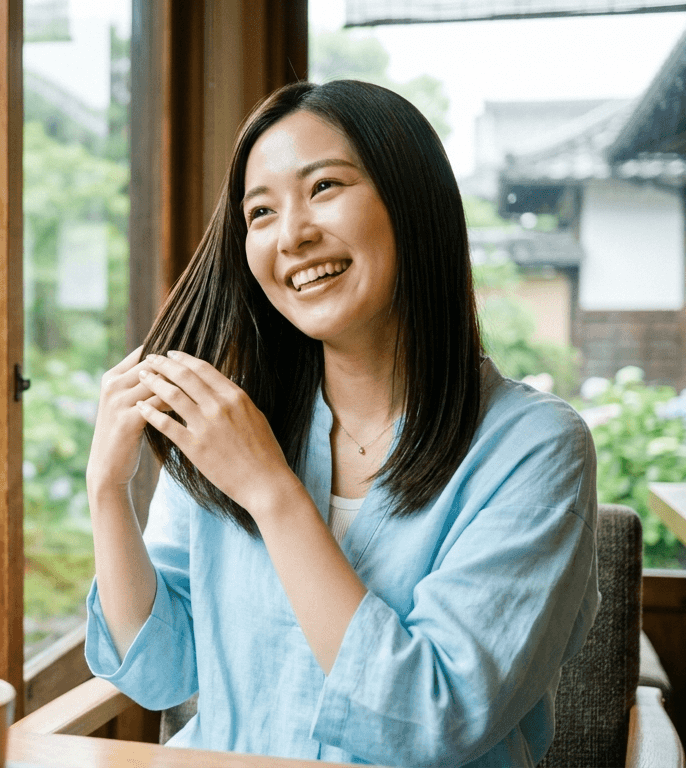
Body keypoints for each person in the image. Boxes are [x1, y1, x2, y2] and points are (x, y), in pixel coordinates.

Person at [82, 79, 600, 767]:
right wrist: (108, 493)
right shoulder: (230, 425)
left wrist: (271, 489)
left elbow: (429, 722)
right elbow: (161, 674)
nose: (291, 234)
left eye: (324, 187)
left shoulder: (534, 449)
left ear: (413, 203)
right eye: (260, 212)